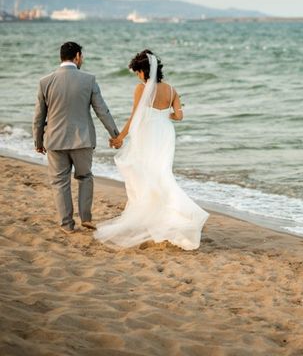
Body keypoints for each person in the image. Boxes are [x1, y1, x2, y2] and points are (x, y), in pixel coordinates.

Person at [94, 49, 208, 250]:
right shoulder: (172, 90)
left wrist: (120, 137)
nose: (137, 76)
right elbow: (179, 116)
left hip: (147, 135)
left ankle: (155, 219)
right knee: (162, 174)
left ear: (144, 71)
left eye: (138, 72)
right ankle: (170, 218)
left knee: (146, 174)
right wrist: (167, 116)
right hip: (165, 133)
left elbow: (134, 116)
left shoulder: (140, 89)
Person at [33, 41, 120, 234]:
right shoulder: (88, 80)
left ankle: (67, 225)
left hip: (55, 140)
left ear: (61, 57)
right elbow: (102, 111)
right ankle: (86, 218)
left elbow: (39, 117)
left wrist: (38, 141)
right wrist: (115, 134)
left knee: (59, 182)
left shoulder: (45, 82)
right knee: (85, 177)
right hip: (82, 140)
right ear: (78, 56)